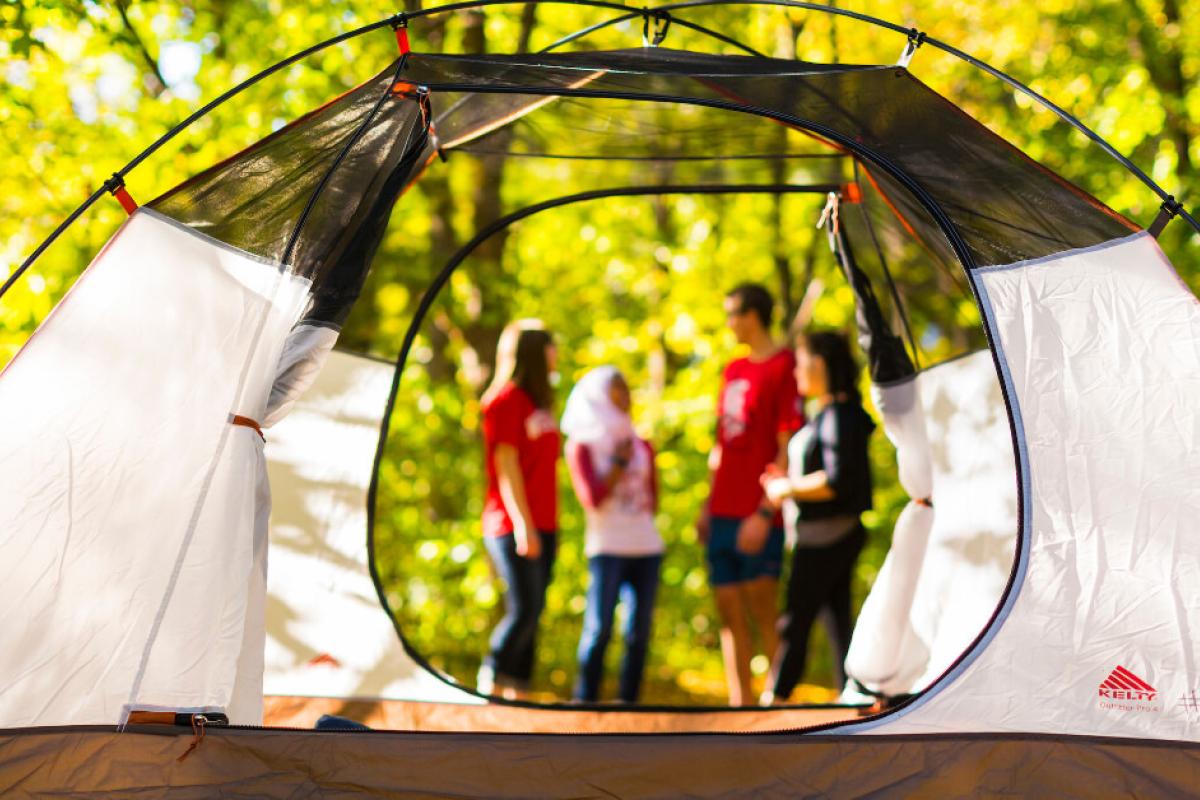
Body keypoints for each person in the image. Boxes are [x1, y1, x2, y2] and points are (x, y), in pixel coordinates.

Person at [698, 283, 803, 706]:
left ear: (753, 315)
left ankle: (780, 711)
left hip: (758, 512)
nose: (729, 323)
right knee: (728, 613)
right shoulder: (732, 370)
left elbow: (786, 445)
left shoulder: (784, 365)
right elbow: (721, 443)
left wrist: (765, 511)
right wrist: (707, 504)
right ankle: (738, 708)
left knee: (764, 612)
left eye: (733, 314)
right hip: (721, 508)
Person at [759, 330, 875, 704]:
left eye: (801, 363)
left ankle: (775, 699)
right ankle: (854, 694)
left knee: (796, 619)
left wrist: (786, 489)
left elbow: (836, 481)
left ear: (819, 363)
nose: (796, 373)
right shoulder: (830, 413)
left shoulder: (838, 415)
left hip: (825, 537)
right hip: (829, 535)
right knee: (836, 620)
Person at [562, 366, 663, 704]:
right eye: (617, 389)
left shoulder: (641, 442)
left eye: (627, 388)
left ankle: (628, 706)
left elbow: (654, 497)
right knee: (599, 629)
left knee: (638, 633)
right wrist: (618, 464)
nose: (626, 396)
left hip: (646, 547)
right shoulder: (581, 445)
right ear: (598, 395)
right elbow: (591, 498)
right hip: (607, 546)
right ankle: (585, 704)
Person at [478, 320, 560, 700]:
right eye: (551, 346)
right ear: (535, 352)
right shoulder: (505, 400)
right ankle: (489, 683)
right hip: (511, 523)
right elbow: (507, 467)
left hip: (546, 522)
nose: (556, 353)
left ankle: (518, 698)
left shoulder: (540, 403)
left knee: (536, 612)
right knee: (523, 609)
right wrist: (524, 525)